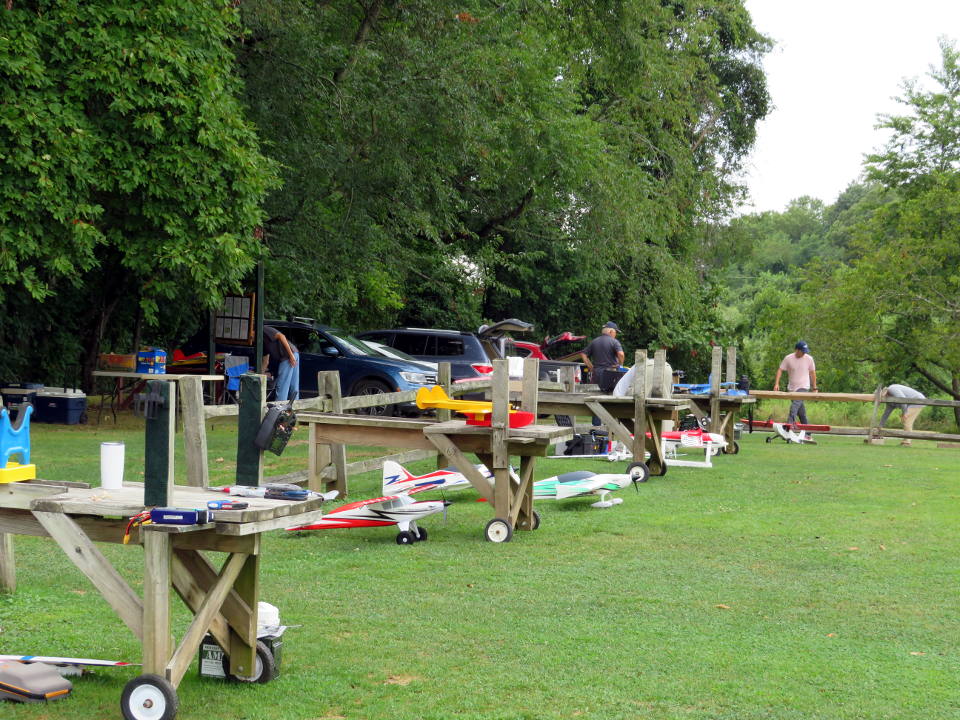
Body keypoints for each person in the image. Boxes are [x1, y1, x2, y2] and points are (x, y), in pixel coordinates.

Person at [773, 340, 817, 425]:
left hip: (804, 387)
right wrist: (776, 384)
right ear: (797, 350)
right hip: (792, 388)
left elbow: (812, 373)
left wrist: (815, 387)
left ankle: (789, 425)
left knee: (794, 407)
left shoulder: (809, 359)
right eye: (803, 351)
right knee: (801, 413)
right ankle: (808, 433)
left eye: (805, 352)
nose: (804, 353)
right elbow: (780, 370)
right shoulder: (788, 358)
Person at [579, 321, 626, 392]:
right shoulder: (614, 342)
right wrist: (620, 365)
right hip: (610, 375)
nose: (615, 335)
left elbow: (583, 354)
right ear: (611, 331)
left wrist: (591, 367)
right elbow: (621, 354)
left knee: (595, 395)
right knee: (611, 397)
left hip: (596, 375)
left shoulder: (594, 341)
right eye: (615, 332)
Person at [262, 325, 300, 401]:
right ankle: (295, 407)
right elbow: (266, 360)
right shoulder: (261, 343)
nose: (251, 340)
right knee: (293, 385)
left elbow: (281, 336)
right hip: (294, 353)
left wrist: (291, 355)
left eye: (251, 337)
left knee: (282, 385)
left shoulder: (263, 329)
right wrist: (261, 374)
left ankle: (279, 410)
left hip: (287, 356)